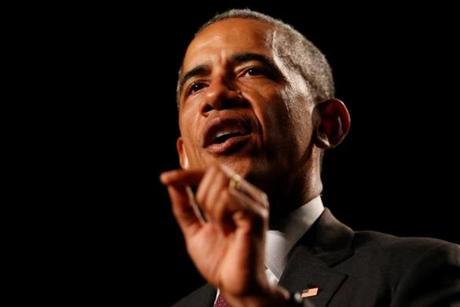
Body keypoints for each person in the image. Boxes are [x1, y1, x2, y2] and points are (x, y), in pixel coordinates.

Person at [160, 9, 460, 307]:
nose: (215, 97)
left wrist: (259, 299)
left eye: (252, 70)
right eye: (196, 86)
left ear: (327, 124)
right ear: (185, 155)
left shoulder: (421, 269)